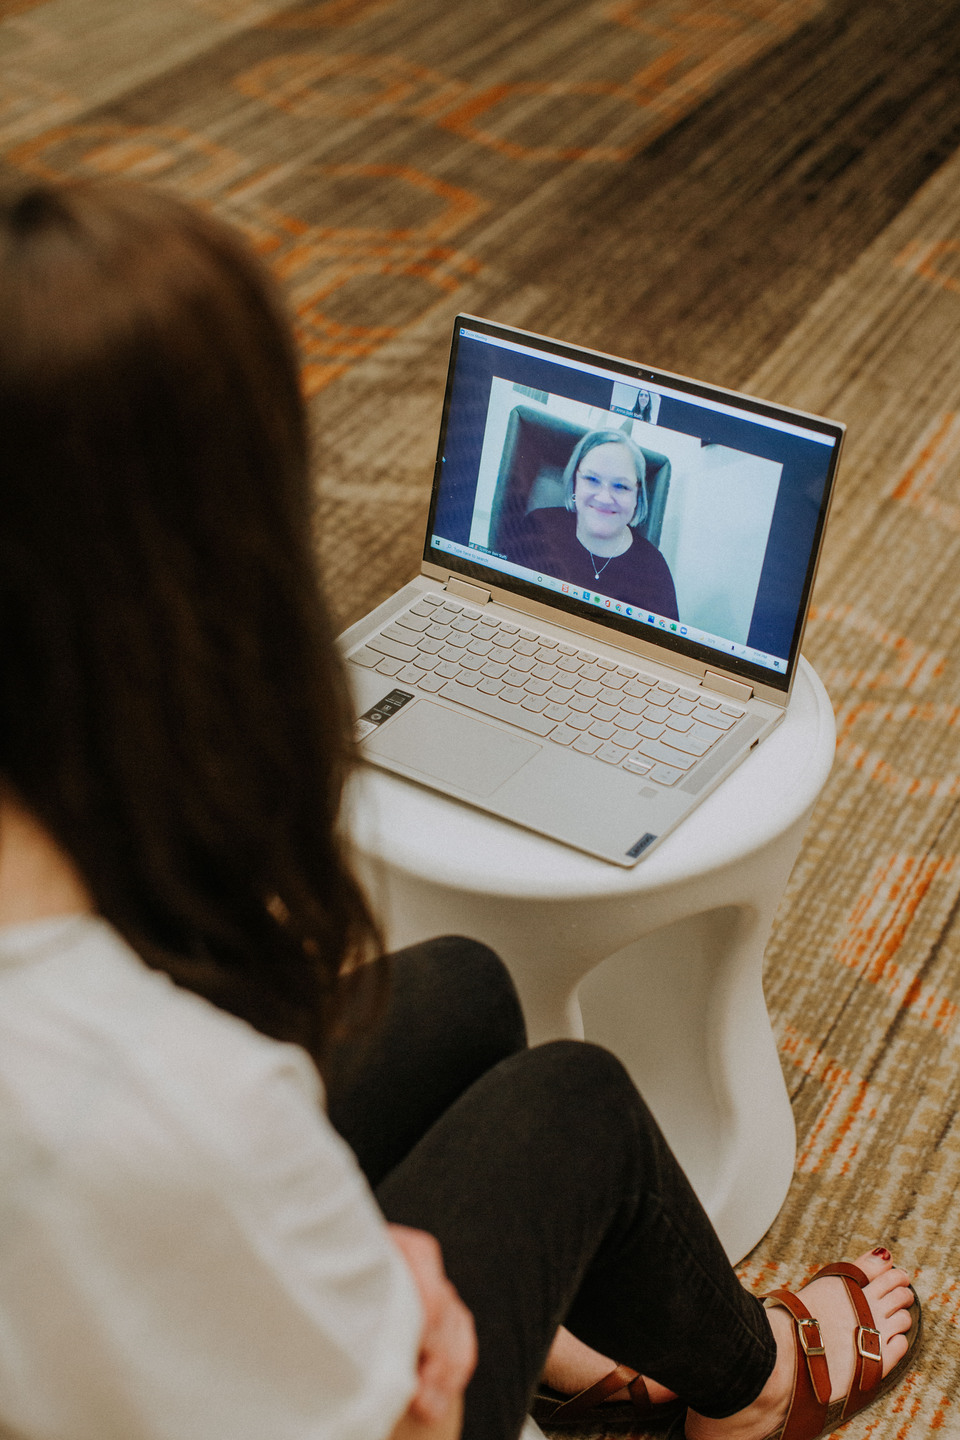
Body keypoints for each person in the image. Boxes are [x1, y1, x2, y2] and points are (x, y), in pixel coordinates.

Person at [0, 177, 920, 1440]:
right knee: (579, 1099)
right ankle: (754, 1388)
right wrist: (412, 1325)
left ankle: (558, 1331)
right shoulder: (173, 1104)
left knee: (465, 989)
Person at [506, 429, 680, 617]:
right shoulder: (537, 526)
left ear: (637, 496)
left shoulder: (655, 569)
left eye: (621, 486)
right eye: (592, 479)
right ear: (575, 482)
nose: (604, 498)